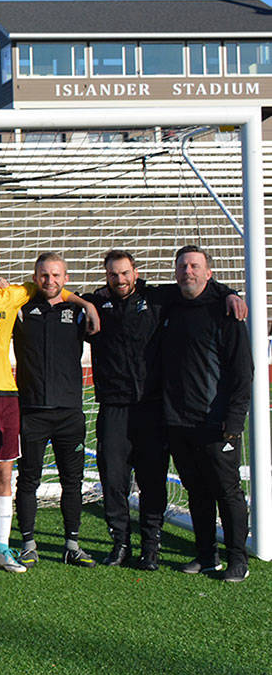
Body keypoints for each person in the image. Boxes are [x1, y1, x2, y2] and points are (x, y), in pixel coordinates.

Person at [0, 240, 99, 575]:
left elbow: (56, 290)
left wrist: (87, 303)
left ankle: (1, 548)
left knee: (3, 473)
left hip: (6, 395)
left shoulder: (15, 293)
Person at [80, 249, 244, 569]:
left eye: (125, 273)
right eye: (113, 274)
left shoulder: (158, 298)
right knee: (113, 479)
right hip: (114, 406)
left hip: (153, 407)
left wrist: (231, 292)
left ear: (136, 273)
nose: (120, 279)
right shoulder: (98, 302)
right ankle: (120, 543)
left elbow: (198, 285)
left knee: (153, 479)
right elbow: (64, 296)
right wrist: (85, 304)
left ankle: (151, 546)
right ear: (106, 276)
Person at [160, 246, 253, 582]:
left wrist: (234, 418)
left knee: (227, 491)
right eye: (183, 266)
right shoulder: (170, 304)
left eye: (195, 266)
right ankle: (205, 555)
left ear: (208, 273)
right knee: (196, 490)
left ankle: (238, 559)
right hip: (178, 420)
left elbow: (243, 371)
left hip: (216, 422)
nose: (188, 271)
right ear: (175, 272)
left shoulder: (224, 311)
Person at [11, 253, 95, 568]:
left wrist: (89, 306)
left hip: (69, 412)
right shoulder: (20, 309)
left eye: (56, 275)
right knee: (28, 479)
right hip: (31, 411)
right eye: (44, 275)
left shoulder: (77, 310)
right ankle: (28, 544)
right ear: (35, 277)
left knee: (72, 481)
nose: (50, 281)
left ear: (66, 278)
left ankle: (72, 545)